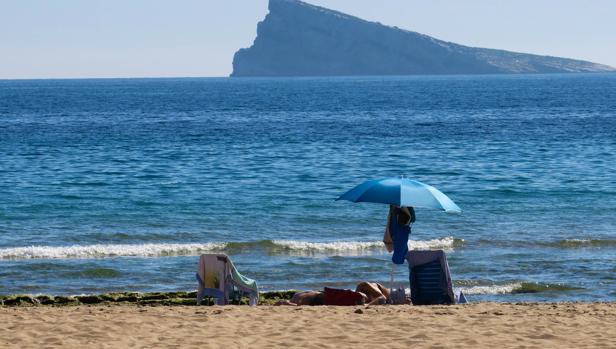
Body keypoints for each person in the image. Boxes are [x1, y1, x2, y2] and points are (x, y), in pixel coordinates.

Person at [275, 282, 392, 306]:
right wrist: (368, 305)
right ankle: (286, 303)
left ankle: (287, 303)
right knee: (302, 299)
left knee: (302, 298)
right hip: (320, 296)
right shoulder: (367, 286)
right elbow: (382, 298)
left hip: (320, 296)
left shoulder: (361, 293)